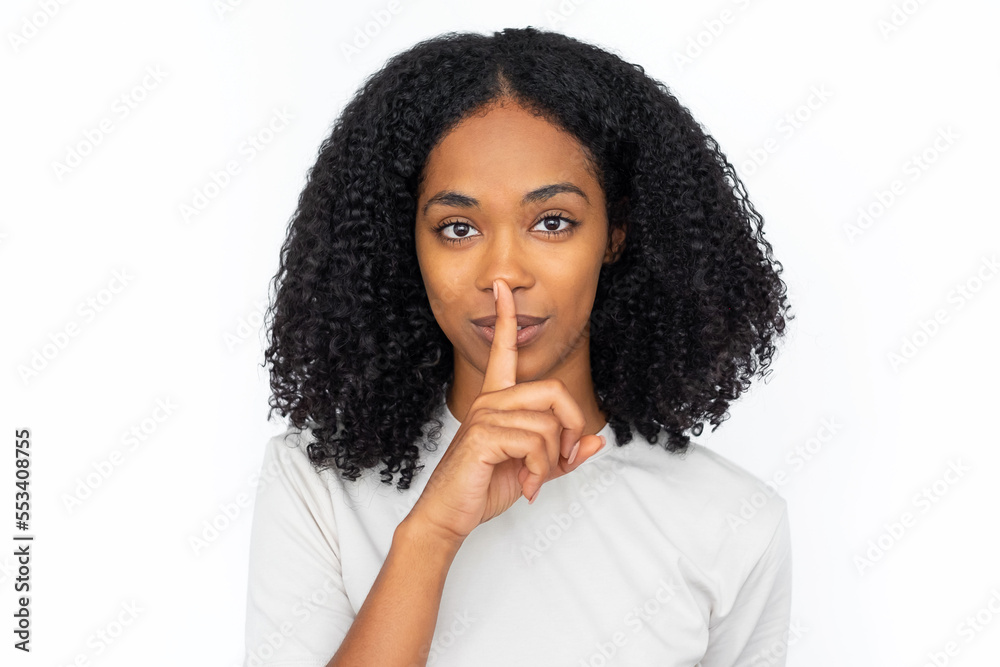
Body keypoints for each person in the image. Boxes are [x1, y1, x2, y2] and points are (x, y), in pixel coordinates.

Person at [244, 26, 795, 667]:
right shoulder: (318, 486)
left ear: (615, 233)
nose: (503, 273)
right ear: (406, 242)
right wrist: (430, 533)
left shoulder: (733, 520)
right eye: (458, 228)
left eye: (552, 222)